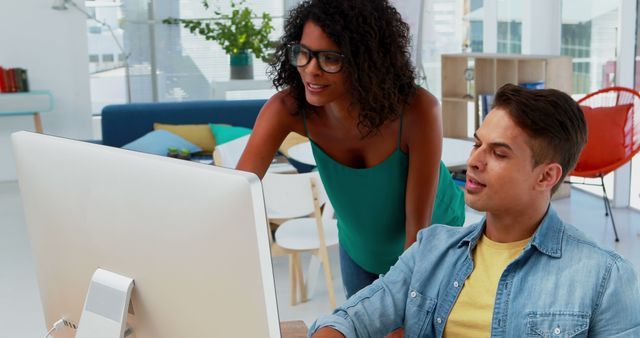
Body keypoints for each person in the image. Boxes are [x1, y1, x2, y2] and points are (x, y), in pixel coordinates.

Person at [308, 84, 640, 337]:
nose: (474, 161)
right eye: (477, 143)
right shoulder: (430, 250)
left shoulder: (605, 277)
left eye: (499, 153)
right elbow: (351, 318)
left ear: (546, 176)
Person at [237, 0, 465, 298]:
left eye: (330, 58)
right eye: (303, 54)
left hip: (432, 239)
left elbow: (417, 235)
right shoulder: (287, 109)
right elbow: (236, 191)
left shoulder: (417, 110)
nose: (311, 70)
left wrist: (401, 305)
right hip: (360, 246)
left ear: (366, 60)